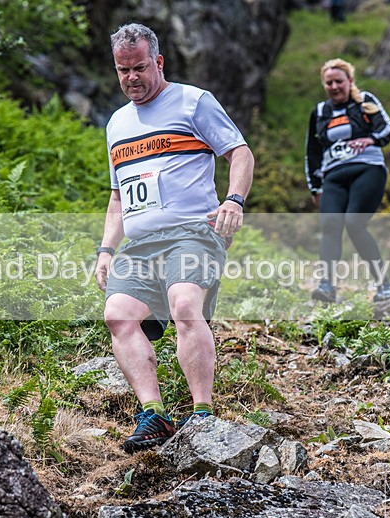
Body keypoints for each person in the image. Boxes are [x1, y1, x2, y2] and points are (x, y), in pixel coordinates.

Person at [94, 23, 254, 454]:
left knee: (184, 304)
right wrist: (106, 249)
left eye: (140, 68)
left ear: (158, 62)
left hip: (192, 233)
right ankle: (154, 414)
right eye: (123, 70)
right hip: (140, 244)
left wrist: (234, 200)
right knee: (118, 315)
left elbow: (240, 152)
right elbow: (118, 195)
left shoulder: (193, 101)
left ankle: (202, 414)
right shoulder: (117, 123)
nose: (132, 78)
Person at [304, 58, 390, 303]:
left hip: (367, 169)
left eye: (339, 81)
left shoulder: (365, 101)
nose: (334, 87)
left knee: (354, 223)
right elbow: (312, 152)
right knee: (330, 225)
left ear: (350, 81)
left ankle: (384, 285)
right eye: (329, 83)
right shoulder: (320, 111)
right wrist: (315, 188)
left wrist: (371, 139)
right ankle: (327, 287)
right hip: (333, 177)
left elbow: (386, 128)